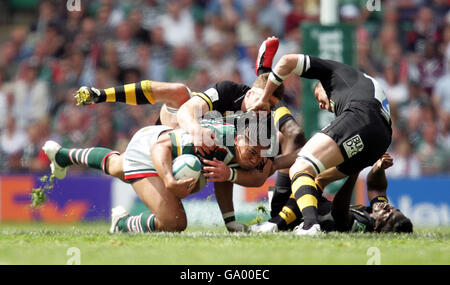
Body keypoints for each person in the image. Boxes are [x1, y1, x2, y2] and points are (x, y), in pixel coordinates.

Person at [73, 37, 306, 231]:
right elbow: (187, 110)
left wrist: (229, 186)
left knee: (118, 167)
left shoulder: (262, 125)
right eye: (265, 102)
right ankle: (101, 95)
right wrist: (195, 130)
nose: (266, 109)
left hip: (194, 150)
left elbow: (259, 173)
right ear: (253, 91)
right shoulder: (228, 90)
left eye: (271, 106)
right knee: (180, 92)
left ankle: (65, 156)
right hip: (177, 127)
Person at [251, 42, 393, 235]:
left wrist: (264, 96)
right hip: (379, 138)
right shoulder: (356, 86)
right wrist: (277, 222)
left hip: (361, 117)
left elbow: (286, 61)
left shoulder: (332, 72)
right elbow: (319, 181)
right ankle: (281, 223)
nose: (321, 106)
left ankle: (311, 225)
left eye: (318, 98)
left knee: (300, 166)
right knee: (311, 174)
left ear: (322, 85)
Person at [42, 119, 271, 234]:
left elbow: (224, 179)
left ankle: (62, 155)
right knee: (175, 222)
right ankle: (122, 224)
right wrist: (170, 180)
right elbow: (160, 147)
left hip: (161, 147)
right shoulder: (214, 139)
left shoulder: (239, 148)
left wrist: (230, 222)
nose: (254, 161)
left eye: (259, 158)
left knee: (115, 165)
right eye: (252, 153)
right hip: (152, 149)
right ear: (240, 138)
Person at [249, 153, 413, 234]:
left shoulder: (364, 224)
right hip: (304, 196)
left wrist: (353, 172)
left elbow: (339, 213)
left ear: (378, 226)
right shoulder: (377, 212)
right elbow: (376, 187)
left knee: (304, 161)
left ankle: (277, 220)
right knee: (299, 154)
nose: (387, 207)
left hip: (293, 212)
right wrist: (378, 167)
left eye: (388, 214)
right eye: (394, 209)